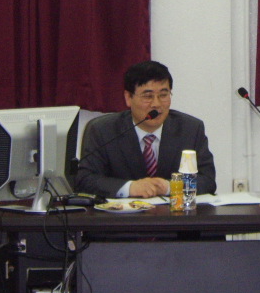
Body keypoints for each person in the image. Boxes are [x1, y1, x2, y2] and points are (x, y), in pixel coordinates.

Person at [75, 60, 216, 199]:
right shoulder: (103, 130)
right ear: (128, 98)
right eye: (148, 96)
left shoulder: (190, 129)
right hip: (124, 213)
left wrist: (170, 186)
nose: (156, 104)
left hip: (173, 213)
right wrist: (130, 188)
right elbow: (84, 180)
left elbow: (208, 180)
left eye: (163, 95)